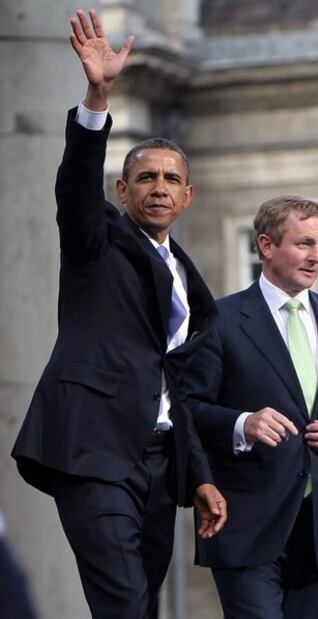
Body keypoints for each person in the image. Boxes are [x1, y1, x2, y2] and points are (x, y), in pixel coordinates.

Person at [11, 9, 226, 619]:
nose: (158, 187)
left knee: (143, 607)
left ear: (187, 196)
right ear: (122, 191)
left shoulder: (189, 280)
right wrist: (96, 97)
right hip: (93, 450)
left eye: (170, 179)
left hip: (159, 463)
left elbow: (175, 384)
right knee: (125, 605)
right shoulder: (97, 239)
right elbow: (75, 186)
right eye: (145, 178)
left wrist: (201, 473)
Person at [183, 195, 318, 619]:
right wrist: (241, 423)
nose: (316, 257)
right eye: (304, 244)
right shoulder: (218, 321)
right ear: (266, 246)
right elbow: (187, 408)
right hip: (244, 522)